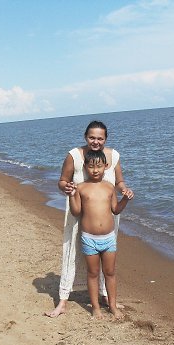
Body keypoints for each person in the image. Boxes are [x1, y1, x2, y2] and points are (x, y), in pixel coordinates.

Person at [45, 121, 133, 318]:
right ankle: (63, 300)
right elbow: (62, 181)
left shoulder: (113, 157)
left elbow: (119, 182)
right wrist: (67, 189)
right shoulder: (74, 155)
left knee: (109, 269)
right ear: (85, 137)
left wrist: (124, 191)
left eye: (100, 138)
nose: (96, 141)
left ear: (106, 139)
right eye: (92, 137)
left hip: (106, 220)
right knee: (72, 254)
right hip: (80, 214)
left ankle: (107, 298)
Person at [68, 150, 133, 319]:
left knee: (110, 272)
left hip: (109, 238)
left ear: (106, 166)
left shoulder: (109, 187)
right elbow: (76, 212)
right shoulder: (81, 188)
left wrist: (125, 199)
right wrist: (71, 195)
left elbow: (115, 210)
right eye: (91, 166)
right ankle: (95, 307)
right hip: (89, 238)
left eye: (98, 166)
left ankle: (112, 306)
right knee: (93, 273)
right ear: (85, 167)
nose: (95, 170)